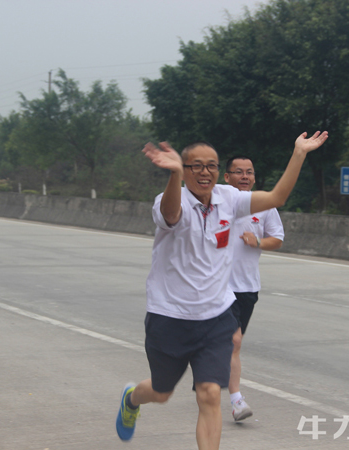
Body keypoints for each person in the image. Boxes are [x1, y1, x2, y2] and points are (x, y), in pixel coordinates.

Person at [116, 131, 328, 450]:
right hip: (169, 317)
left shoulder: (228, 198)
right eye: (195, 165)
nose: (204, 171)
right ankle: (132, 400)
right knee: (161, 392)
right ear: (184, 170)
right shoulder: (169, 200)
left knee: (211, 394)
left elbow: (276, 198)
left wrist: (299, 153)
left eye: (211, 165)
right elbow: (172, 215)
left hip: (216, 316)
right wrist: (174, 174)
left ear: (219, 171)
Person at [223, 156, 284, 421]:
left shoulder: (264, 206)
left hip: (247, 286)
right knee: (234, 341)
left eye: (249, 172)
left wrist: (257, 241)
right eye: (238, 172)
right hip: (217, 285)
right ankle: (237, 401)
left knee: (233, 345)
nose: (244, 176)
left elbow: (277, 239)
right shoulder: (217, 202)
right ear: (226, 177)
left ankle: (209, 371)